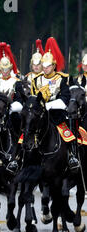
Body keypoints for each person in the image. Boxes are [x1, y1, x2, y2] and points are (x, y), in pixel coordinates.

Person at [9, 37, 72, 173]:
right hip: (39, 115)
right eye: (43, 66)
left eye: (48, 66)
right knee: (24, 133)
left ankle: (71, 156)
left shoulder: (62, 79)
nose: (45, 68)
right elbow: (32, 98)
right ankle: (17, 158)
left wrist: (49, 106)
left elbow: (65, 99)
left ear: (53, 66)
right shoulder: (37, 79)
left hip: (55, 114)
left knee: (68, 134)